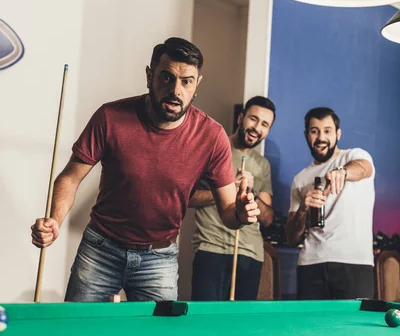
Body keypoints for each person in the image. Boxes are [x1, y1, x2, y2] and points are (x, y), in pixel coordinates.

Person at [31, 37, 260, 302]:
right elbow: (70, 178)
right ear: (150, 75)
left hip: (159, 259)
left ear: (197, 85)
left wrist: (242, 214)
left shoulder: (212, 136)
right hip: (100, 249)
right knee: (78, 331)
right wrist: (54, 221)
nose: (176, 89)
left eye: (186, 81)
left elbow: (230, 214)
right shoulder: (110, 117)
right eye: (166, 77)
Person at [189, 96, 275, 301]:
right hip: (211, 247)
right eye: (253, 119)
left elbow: (267, 218)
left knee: (241, 327)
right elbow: (186, 198)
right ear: (240, 118)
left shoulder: (262, 165)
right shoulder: (212, 148)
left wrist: (250, 194)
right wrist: (227, 189)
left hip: (249, 254)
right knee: (206, 322)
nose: (257, 127)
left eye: (264, 124)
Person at [286, 107, 375, 300]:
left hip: (354, 263)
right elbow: (292, 238)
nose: (321, 137)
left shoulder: (354, 157)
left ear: (338, 134)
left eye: (327, 131)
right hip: (310, 264)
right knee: (309, 328)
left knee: (355, 328)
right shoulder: (300, 179)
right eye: (314, 131)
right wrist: (303, 209)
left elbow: (364, 168)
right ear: (306, 135)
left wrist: (341, 172)